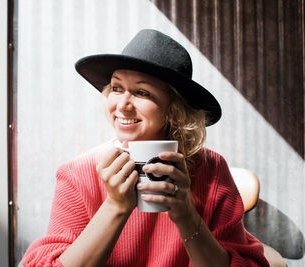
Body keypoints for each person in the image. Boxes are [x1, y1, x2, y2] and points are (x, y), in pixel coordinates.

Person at [21, 29, 269, 266]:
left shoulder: (210, 169)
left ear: (174, 111)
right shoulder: (78, 174)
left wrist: (185, 215)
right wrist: (116, 206)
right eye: (116, 88)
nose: (123, 105)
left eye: (141, 92)